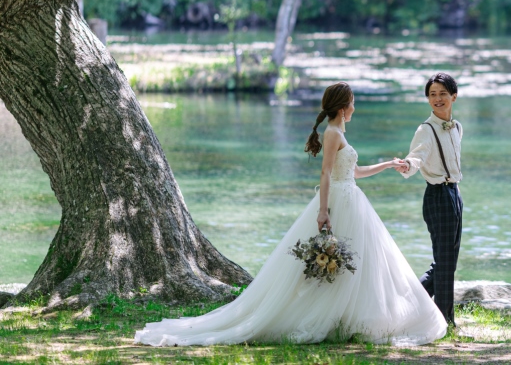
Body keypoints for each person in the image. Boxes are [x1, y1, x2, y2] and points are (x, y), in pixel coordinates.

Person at [134, 82, 447, 347]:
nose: (354, 108)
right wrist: (324, 211)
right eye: (351, 104)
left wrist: (387, 165)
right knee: (339, 262)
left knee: (354, 263)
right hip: (338, 202)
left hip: (352, 198)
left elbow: (352, 171)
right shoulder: (333, 134)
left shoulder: (339, 133)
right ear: (343, 107)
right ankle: (324, 317)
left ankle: (349, 318)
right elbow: (327, 174)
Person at [395, 72, 463, 327]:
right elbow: (417, 156)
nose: (437, 99)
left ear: (453, 96)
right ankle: (444, 321)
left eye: (443, 94)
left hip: (455, 193)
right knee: (444, 263)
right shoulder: (426, 129)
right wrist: (408, 166)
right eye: (432, 94)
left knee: (448, 263)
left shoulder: (456, 127)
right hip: (437, 195)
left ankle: (408, 306)